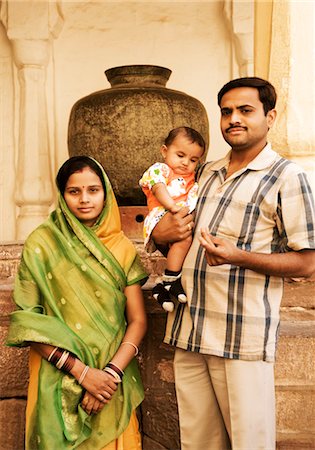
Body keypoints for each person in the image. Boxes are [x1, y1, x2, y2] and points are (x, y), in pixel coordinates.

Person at [151, 77, 315, 449]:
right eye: (227, 112)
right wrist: (162, 235)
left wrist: (238, 257)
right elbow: (181, 240)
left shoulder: (287, 178)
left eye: (245, 110)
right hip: (190, 330)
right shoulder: (205, 172)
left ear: (270, 116)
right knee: (198, 443)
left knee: (249, 443)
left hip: (241, 336)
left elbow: (308, 263)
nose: (233, 119)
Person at [7, 156, 148, 450]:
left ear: (105, 193)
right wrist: (82, 373)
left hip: (111, 381)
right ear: (62, 195)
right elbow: (26, 321)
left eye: (93, 190)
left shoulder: (121, 248)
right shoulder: (42, 245)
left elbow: (137, 320)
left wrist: (107, 376)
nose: (85, 200)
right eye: (74, 192)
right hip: (57, 375)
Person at [139, 126, 206, 312]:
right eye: (180, 155)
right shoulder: (161, 170)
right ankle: (171, 277)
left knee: (185, 244)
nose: (185, 163)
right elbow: (158, 188)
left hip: (180, 219)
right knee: (185, 239)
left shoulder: (193, 177)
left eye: (193, 160)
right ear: (164, 151)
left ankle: (163, 286)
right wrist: (172, 207)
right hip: (161, 215)